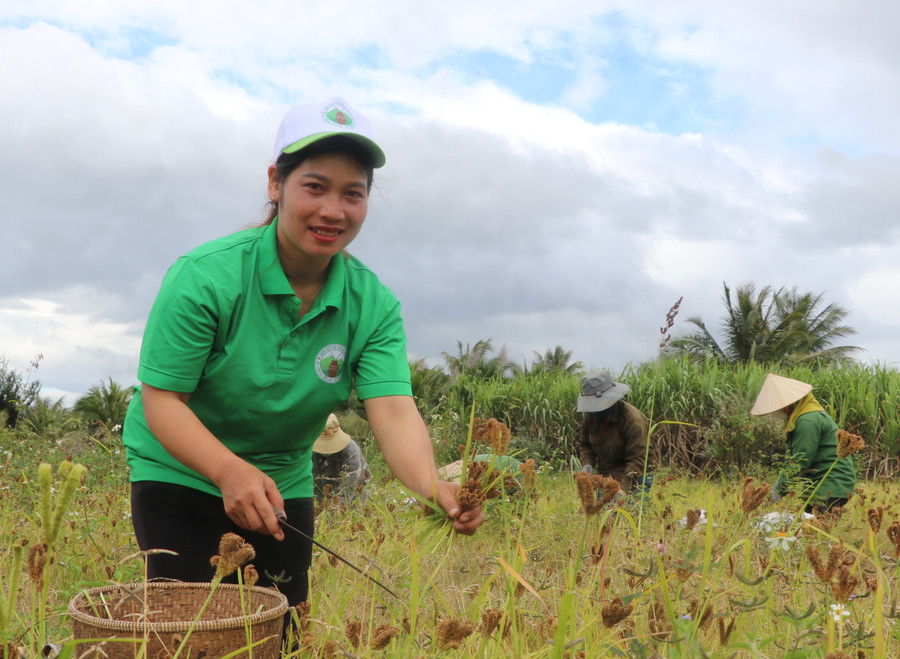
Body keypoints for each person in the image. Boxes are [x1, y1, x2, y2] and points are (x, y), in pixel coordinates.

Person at [122, 97, 484, 606]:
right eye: (314, 187)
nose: (332, 210)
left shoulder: (373, 305)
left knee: (282, 626)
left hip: (281, 478)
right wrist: (227, 470)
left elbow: (395, 409)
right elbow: (162, 401)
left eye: (352, 194)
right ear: (276, 184)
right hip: (177, 469)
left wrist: (432, 488)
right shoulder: (205, 277)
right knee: (190, 627)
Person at [750, 373, 855, 513]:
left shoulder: (807, 421)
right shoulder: (805, 416)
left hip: (830, 484)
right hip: (819, 484)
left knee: (818, 531)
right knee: (808, 529)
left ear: (789, 404)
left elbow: (799, 462)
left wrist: (774, 494)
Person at [577, 369, 651, 495]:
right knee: (602, 512)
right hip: (606, 474)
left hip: (636, 475)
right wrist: (587, 464)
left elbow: (637, 460)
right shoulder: (591, 416)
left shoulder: (632, 421)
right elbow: (586, 445)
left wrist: (622, 490)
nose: (595, 411)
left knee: (630, 512)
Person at [312, 413, 370, 504]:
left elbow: (348, 490)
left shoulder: (350, 450)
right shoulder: (307, 449)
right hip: (321, 490)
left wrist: (333, 513)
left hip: (355, 491)